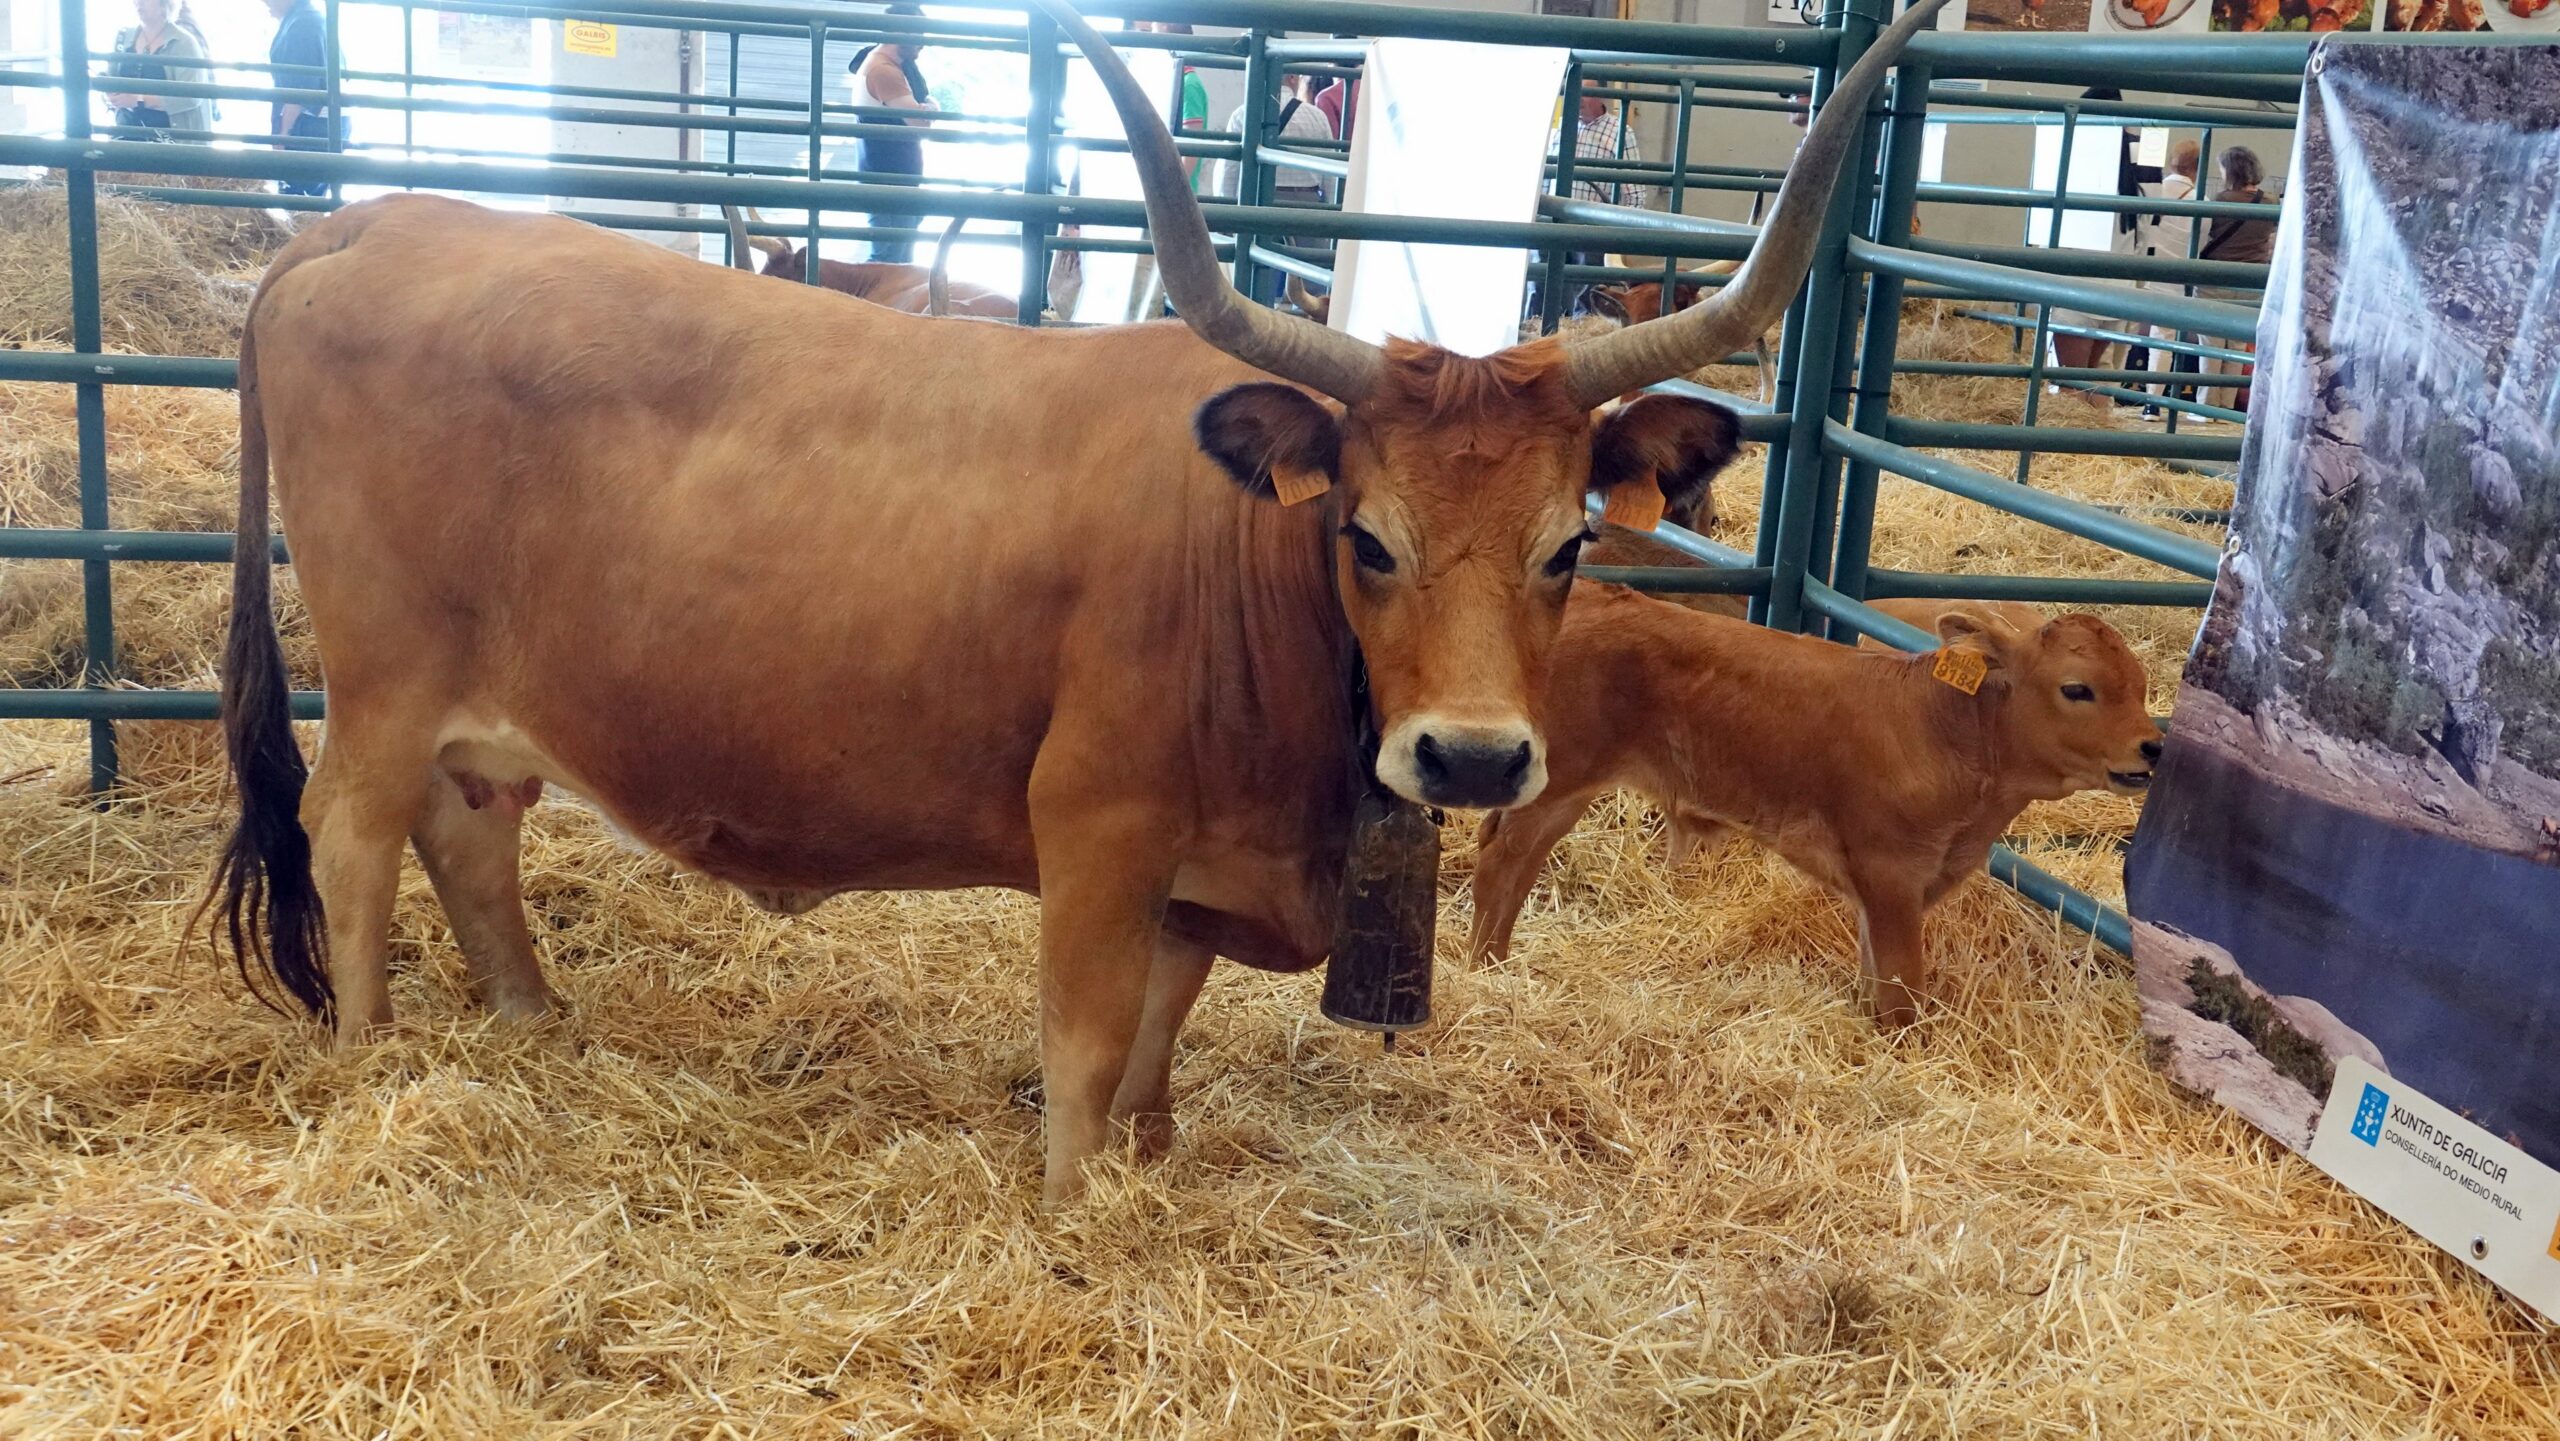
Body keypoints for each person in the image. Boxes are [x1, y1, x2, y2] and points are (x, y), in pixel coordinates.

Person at [1212, 72, 1335, 307]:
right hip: (1307, 206)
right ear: (1292, 78)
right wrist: (1329, 209)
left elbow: (1228, 171)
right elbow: (1328, 172)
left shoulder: (1244, 114)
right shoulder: (1316, 116)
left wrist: (1228, 211)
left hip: (1259, 202)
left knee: (1255, 280)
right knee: (1310, 285)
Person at [1123, 20, 1209, 321]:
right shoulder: (1166, 82)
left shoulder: (1190, 84)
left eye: (1157, 37)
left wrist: (1169, 192)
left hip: (1169, 200)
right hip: (1157, 194)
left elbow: (1192, 149)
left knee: (1157, 276)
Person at [1541, 90, 1653, 319]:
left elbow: (1634, 191)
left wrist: (1621, 233)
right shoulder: (1560, 128)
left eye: (1586, 93)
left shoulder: (1619, 132)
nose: (1578, 98)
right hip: (1552, 220)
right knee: (1542, 285)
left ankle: (1581, 333)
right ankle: (1539, 330)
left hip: (1591, 224)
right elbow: (1544, 177)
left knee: (1587, 289)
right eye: (1575, 92)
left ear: (1602, 96)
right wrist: (1538, 212)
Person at [850, 4, 935, 263]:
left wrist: (927, 108)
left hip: (892, 179)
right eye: (919, 34)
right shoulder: (884, 71)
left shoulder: (885, 64)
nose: (923, 43)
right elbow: (921, 123)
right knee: (886, 260)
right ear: (902, 32)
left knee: (894, 258)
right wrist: (931, 106)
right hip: (889, 181)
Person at [2198, 145, 2277, 414]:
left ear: (2229, 171)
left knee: (2211, 346)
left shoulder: (2219, 200)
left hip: (2216, 278)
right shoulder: (2271, 203)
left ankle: (2206, 407)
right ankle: (2226, 406)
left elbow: (2203, 237)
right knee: (2237, 346)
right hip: (2251, 281)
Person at [2141, 139, 2202, 415]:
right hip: (2177, 275)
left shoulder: (2152, 191)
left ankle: (2104, 397)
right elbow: (2200, 244)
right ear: (2196, 168)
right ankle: (2153, 402)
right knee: (2163, 338)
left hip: (2144, 271)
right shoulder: (2201, 202)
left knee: (2123, 332)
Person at [103, 0, 210, 137]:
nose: (138, 2)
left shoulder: (184, 42)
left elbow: (192, 97)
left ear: (164, 3)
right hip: (126, 134)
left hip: (169, 141)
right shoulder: (123, 37)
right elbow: (111, 79)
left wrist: (139, 100)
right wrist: (109, 93)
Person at [266, 0, 338, 195]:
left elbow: (298, 92)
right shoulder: (304, 18)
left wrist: (282, 135)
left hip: (310, 124)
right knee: (309, 197)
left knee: (298, 197)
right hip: (319, 122)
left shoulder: (303, 25)